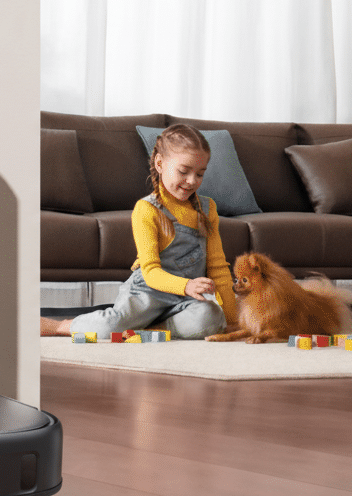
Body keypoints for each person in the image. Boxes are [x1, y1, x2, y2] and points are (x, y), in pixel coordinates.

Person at [40, 123, 237, 340]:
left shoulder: (208, 209)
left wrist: (233, 321)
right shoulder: (147, 209)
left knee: (210, 318)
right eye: (183, 171)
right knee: (109, 328)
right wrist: (186, 285)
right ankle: (60, 326)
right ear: (160, 163)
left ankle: (152, 329)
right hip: (148, 293)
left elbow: (218, 268)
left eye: (200, 174)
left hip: (185, 299)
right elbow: (150, 272)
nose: (192, 181)